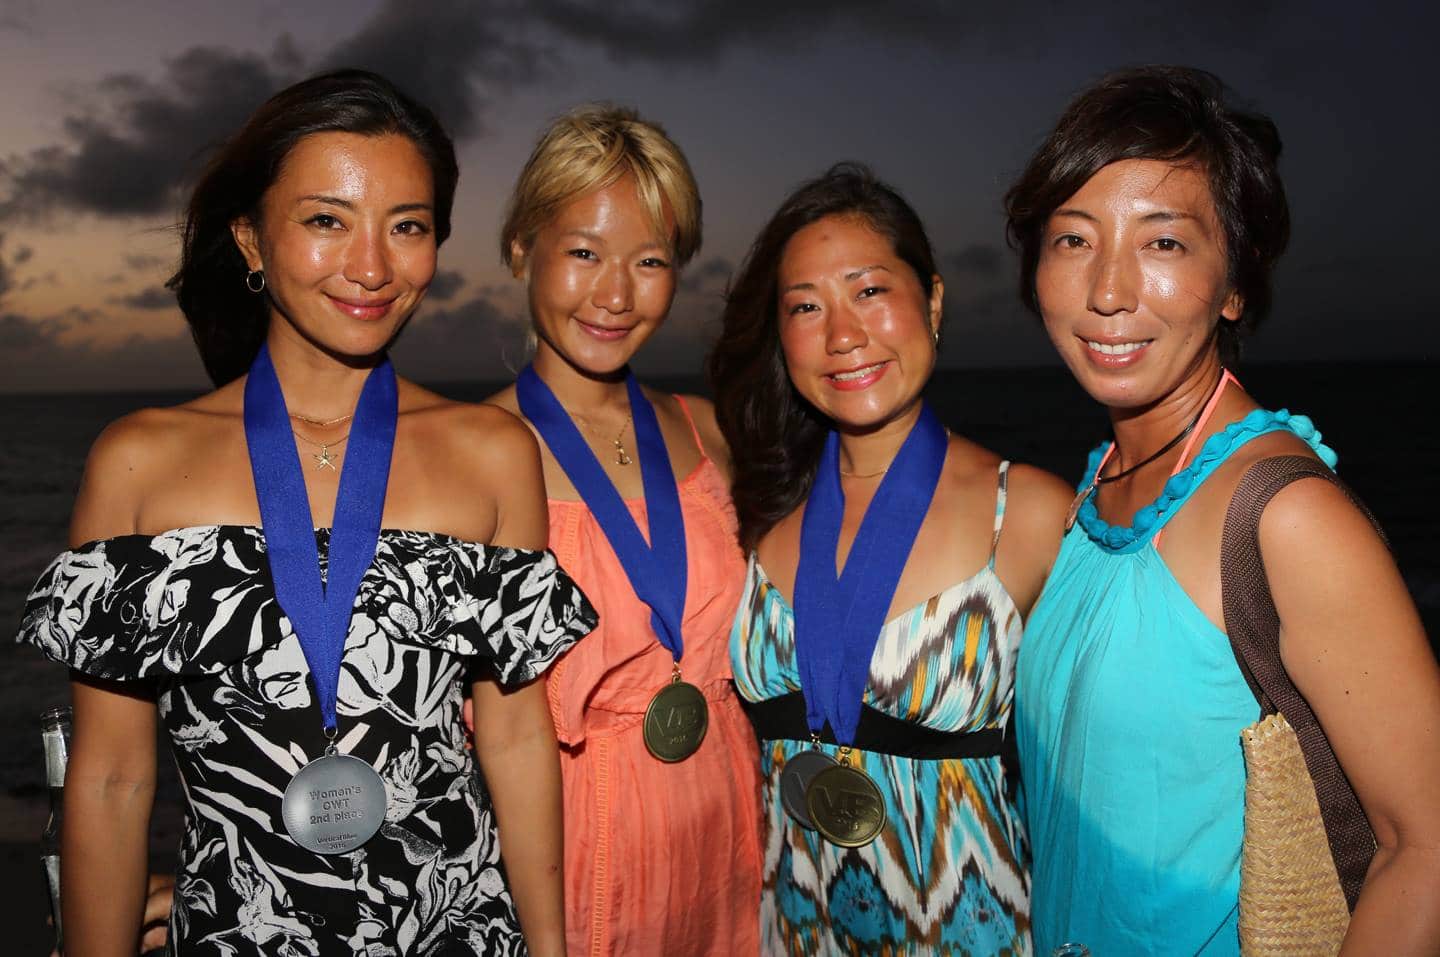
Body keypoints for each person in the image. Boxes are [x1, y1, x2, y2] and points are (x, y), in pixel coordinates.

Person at [17, 70, 592, 956]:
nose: (372, 265)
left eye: (407, 226)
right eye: (328, 219)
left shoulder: (493, 454)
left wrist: (551, 948)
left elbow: (515, 738)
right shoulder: (136, 462)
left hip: (454, 931)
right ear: (250, 238)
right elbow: (110, 779)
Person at [1006, 66, 1440, 954]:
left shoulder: (1285, 518)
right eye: (1073, 239)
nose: (1108, 291)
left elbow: (1424, 846)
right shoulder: (1100, 481)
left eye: (1163, 244)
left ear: (1234, 286)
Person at [710, 163, 1071, 955]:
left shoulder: (1036, 514)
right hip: (794, 932)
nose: (843, 335)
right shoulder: (760, 515)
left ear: (932, 302)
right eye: (807, 306)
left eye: (869, 290)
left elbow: (1104, 770)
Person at [483, 105, 764, 956]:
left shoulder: (711, 433)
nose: (615, 294)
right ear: (522, 249)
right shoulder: (472, 458)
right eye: (584, 253)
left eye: (650, 261)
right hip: (570, 851)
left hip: (729, 836)